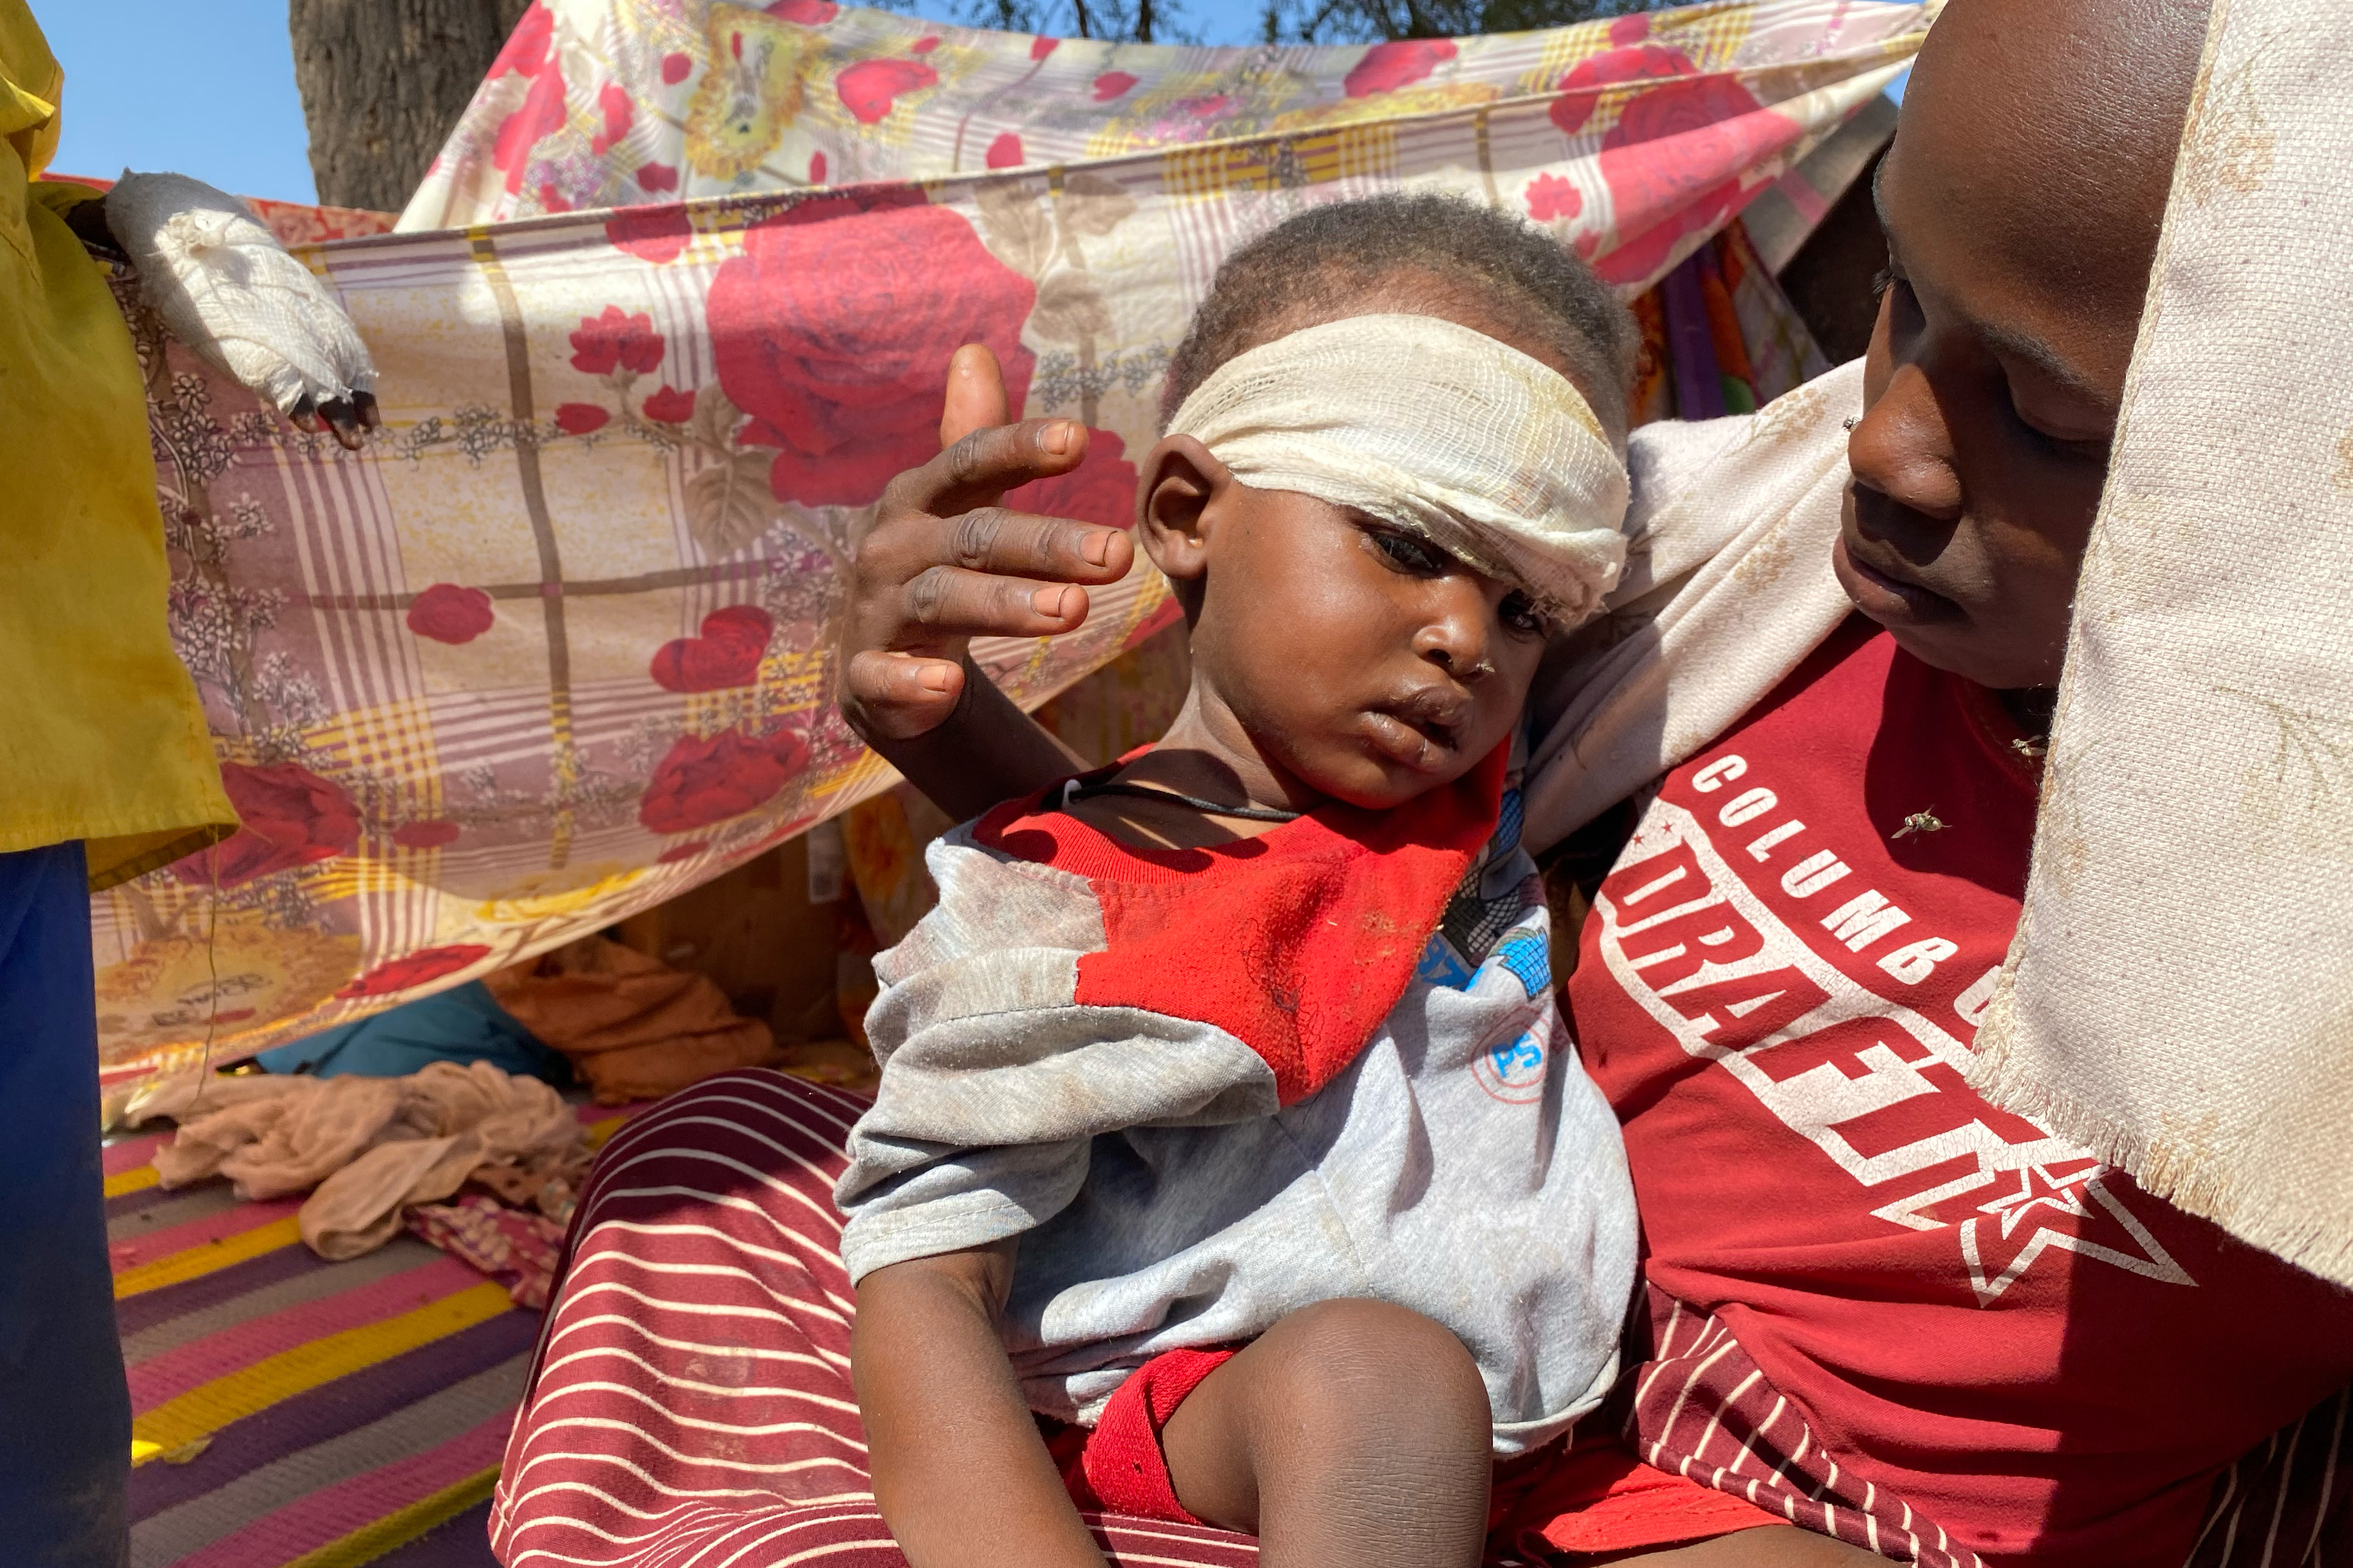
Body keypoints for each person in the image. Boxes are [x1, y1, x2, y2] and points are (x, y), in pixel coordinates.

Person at [491, 1, 2353, 1564]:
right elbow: (1234, 911)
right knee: (713, 1164)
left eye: (2044, 414)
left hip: (1689, 1495)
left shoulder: (2295, 914)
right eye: (1895, 304)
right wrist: (951, 741)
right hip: (1366, 1401)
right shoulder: (1717, 577)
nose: (1884, 444)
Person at [841, 201, 1687, 1568]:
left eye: (1526, 605)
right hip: (1215, 1395)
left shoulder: (1477, 802)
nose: (1465, 635)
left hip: (1549, 1430)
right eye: (1406, 537)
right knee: (1380, 1384)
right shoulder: (1065, 911)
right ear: (1187, 512)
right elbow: (925, 1272)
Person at [0, 5, 377, 1562]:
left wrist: (146, 226)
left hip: (28, 746)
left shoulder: (40, 219)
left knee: (29, 1254)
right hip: (33, 740)